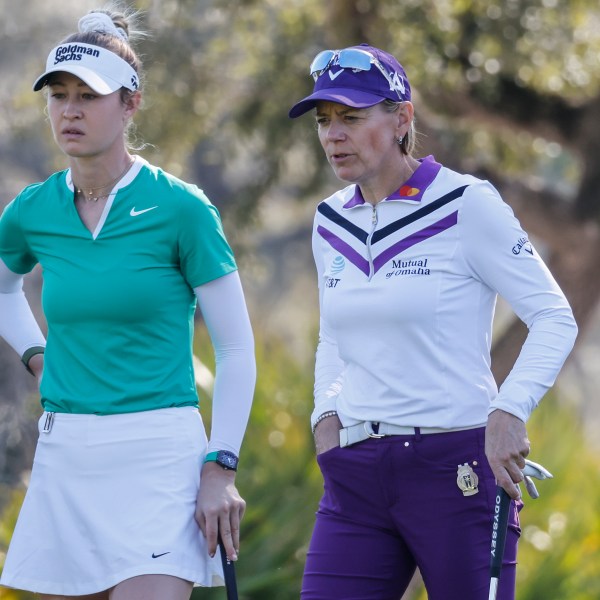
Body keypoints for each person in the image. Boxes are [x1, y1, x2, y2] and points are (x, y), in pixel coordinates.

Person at [288, 44, 578, 600]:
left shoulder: (467, 204)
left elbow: (553, 315)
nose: (333, 135)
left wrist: (510, 409)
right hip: (357, 472)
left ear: (402, 119)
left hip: (458, 471)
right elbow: (334, 337)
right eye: (324, 121)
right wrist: (326, 415)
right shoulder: (329, 221)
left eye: (351, 117)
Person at [0, 6, 256, 600]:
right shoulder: (34, 210)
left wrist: (221, 467)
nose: (70, 109)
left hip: (161, 458)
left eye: (88, 95)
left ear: (130, 103)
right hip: (66, 455)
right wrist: (36, 355)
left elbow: (237, 349)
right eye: (59, 94)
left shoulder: (182, 209)